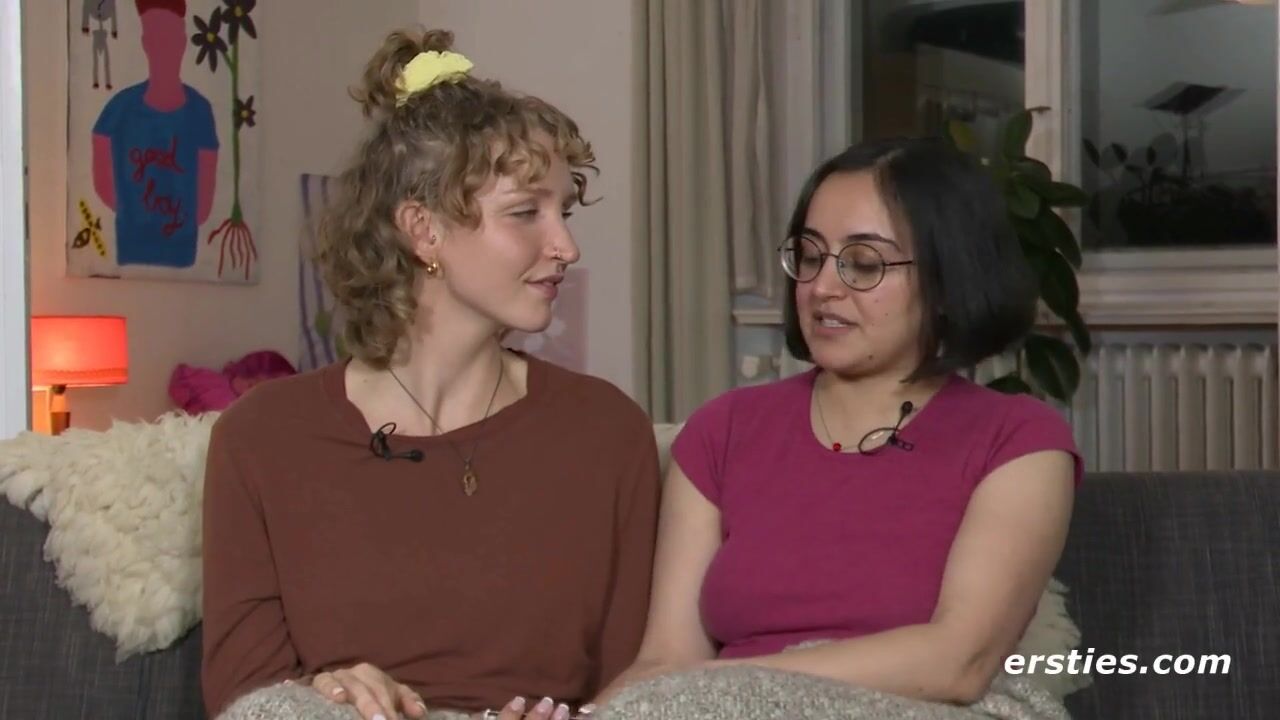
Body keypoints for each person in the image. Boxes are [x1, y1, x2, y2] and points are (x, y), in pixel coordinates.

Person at [202, 28, 660, 720]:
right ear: (423, 230)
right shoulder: (261, 437)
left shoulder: (607, 431)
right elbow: (244, 700)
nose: (565, 245)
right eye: (525, 213)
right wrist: (326, 692)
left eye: (563, 212)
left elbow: (638, 684)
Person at [590, 137, 1082, 720]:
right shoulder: (723, 430)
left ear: (948, 283)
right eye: (810, 256)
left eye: (864, 263)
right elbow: (668, 660)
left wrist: (721, 685)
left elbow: (958, 662)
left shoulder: (1019, 439)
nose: (823, 287)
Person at [91, 0, 218, 268]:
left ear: (183, 43)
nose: (164, 47)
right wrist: (133, 213)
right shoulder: (118, 110)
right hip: (131, 250)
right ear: (145, 43)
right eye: (157, 37)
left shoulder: (200, 112)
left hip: (182, 253)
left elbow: (204, 206)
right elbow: (102, 181)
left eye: (170, 37)